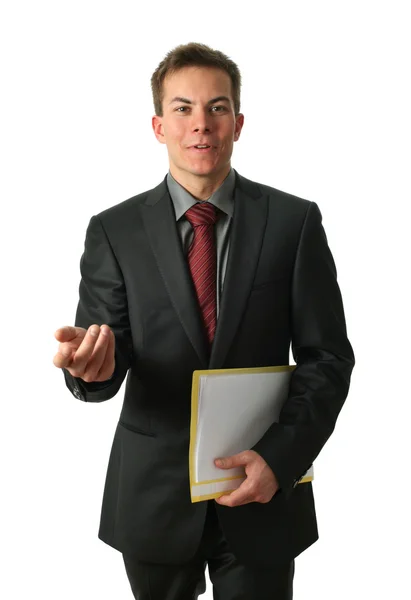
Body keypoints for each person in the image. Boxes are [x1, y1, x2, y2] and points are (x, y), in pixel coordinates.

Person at [53, 42, 355, 600]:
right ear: (158, 125)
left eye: (217, 108)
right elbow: (103, 350)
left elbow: (328, 359)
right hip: (153, 496)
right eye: (183, 108)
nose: (201, 125)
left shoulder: (293, 222)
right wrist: (90, 371)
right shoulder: (113, 231)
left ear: (238, 123)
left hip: (261, 487)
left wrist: (281, 459)